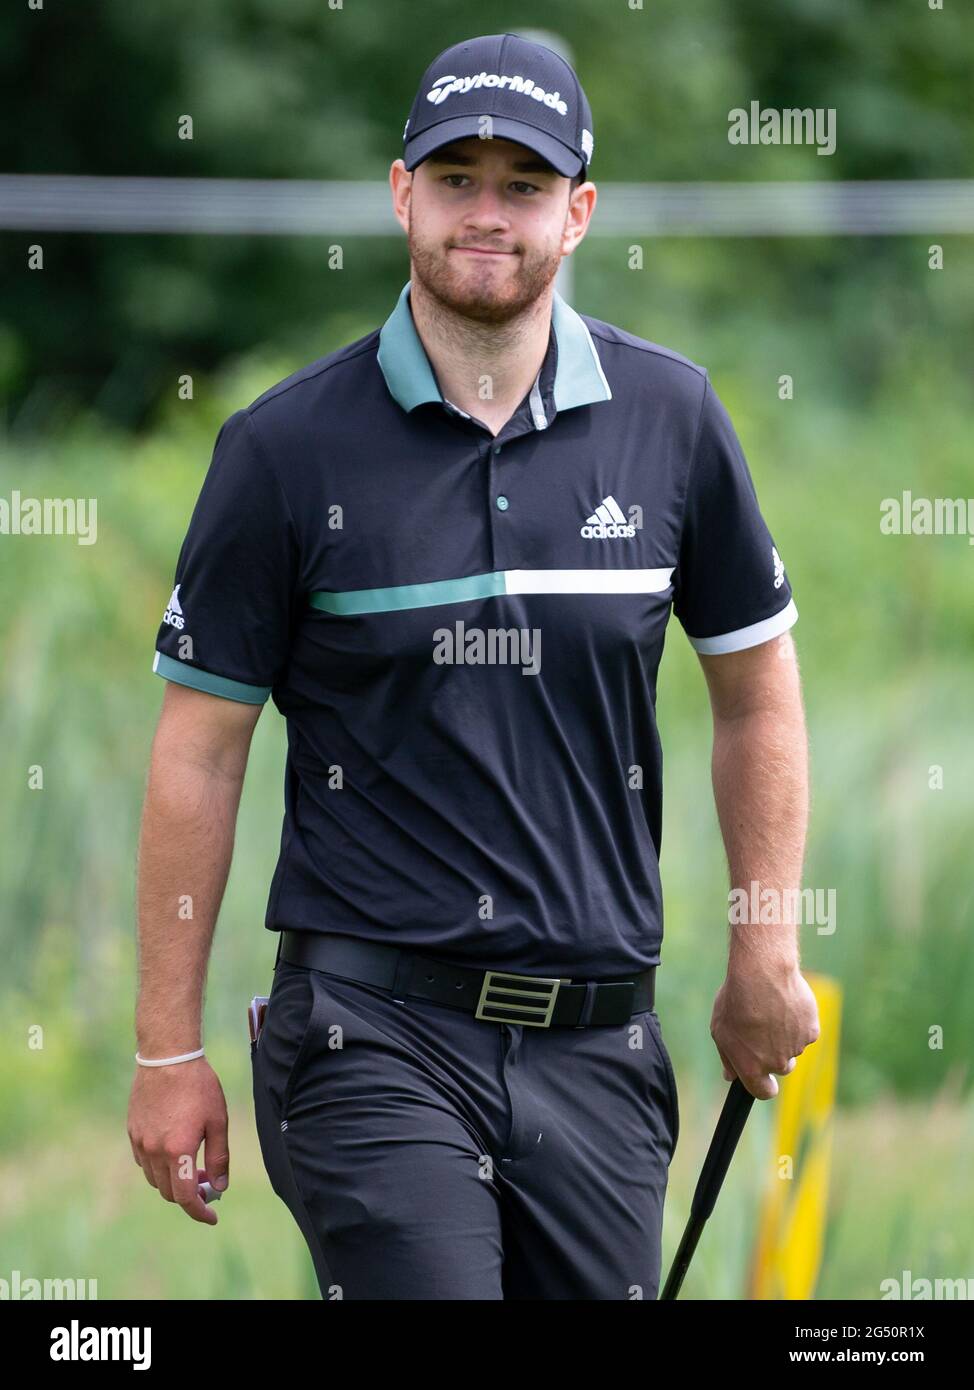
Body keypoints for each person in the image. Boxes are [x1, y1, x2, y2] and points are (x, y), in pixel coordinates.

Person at [128, 31, 820, 1300]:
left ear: (579, 211)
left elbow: (755, 691)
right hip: (364, 1029)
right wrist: (165, 1050)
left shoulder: (673, 420)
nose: (485, 214)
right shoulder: (283, 451)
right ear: (401, 194)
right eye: (455, 179)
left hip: (599, 1043)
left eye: (522, 184)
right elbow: (199, 752)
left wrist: (762, 947)